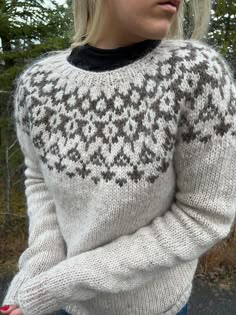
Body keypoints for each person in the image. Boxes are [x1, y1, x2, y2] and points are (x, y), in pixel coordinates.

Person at [1, 0, 236, 314]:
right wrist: (37, 268)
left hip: (152, 308)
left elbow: (204, 215)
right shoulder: (37, 85)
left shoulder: (196, 74)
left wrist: (61, 283)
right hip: (58, 301)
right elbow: (39, 177)